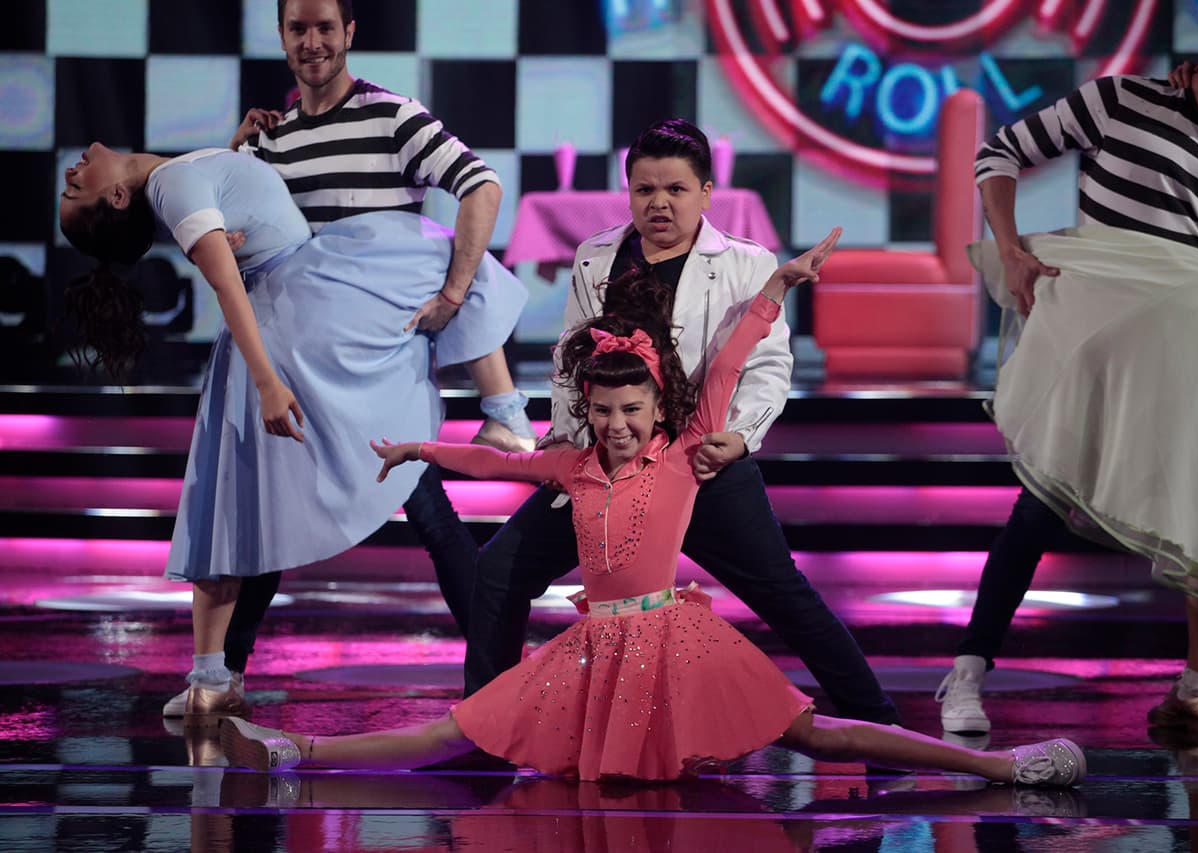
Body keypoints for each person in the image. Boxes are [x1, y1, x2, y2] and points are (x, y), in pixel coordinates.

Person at [218, 255, 1085, 788]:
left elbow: (735, 357)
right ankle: (294, 753)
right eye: (604, 410)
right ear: (588, 408)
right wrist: (420, 449)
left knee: (814, 733)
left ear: (654, 405)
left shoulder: (681, 451)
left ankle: (1001, 766)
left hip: (676, 641)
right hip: (594, 649)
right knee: (462, 726)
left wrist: (777, 287)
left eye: (632, 408)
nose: (618, 424)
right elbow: (500, 462)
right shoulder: (574, 466)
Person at [157, 0, 535, 719]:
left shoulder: (393, 116)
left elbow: (479, 183)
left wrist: (454, 289)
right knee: (266, 513)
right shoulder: (268, 142)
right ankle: (224, 672)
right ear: (281, 38)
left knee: (427, 510)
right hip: (299, 363)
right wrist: (236, 157)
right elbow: (234, 237)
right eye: (297, 28)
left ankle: (500, 681)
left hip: (375, 370)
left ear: (350, 32)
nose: (312, 42)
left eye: (325, 26)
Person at [57, 143, 526, 721]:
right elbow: (229, 286)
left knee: (252, 512)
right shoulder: (172, 187)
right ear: (119, 196)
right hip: (295, 319)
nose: (73, 169)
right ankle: (505, 414)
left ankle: (216, 672)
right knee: (440, 251)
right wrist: (266, 382)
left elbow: (212, 199)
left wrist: (234, 146)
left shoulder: (172, 179)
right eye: (76, 187)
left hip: (299, 304)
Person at [459, 118, 902, 726]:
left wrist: (742, 436)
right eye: (645, 190)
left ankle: (883, 725)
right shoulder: (597, 256)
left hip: (700, 462)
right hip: (609, 467)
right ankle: (488, 724)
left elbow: (769, 362)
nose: (659, 203)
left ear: (706, 192)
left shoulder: (746, 263)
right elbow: (571, 357)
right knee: (499, 569)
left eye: (675, 189)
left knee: (784, 597)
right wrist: (567, 437)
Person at [937, 0, 1198, 736]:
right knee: (1036, 505)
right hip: (1088, 341)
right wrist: (1015, 249)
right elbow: (1000, 151)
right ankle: (966, 673)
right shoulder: (1122, 99)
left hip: (1178, 362)